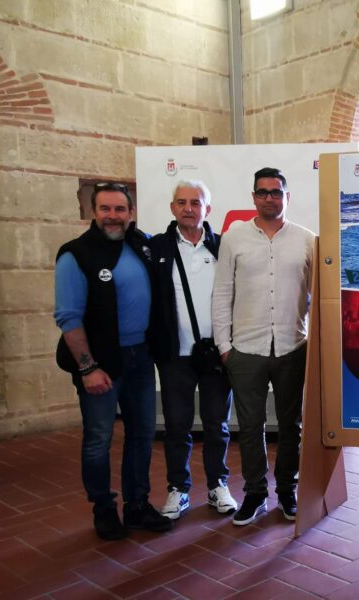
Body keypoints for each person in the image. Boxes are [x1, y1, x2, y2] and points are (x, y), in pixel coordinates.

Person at [54, 182, 173, 540]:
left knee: (141, 434)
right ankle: (104, 508)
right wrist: (88, 368)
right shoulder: (75, 254)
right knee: (98, 438)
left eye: (120, 209)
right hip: (100, 363)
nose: (112, 216)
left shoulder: (142, 246)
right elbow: (68, 318)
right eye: (105, 209)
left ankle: (137, 505)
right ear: (93, 212)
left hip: (140, 358)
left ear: (131, 213)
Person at [212, 167, 315, 526]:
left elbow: (319, 296)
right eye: (263, 192)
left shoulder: (307, 240)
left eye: (276, 192)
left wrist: (316, 345)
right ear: (253, 197)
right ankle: (255, 493)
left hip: (293, 347)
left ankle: (287, 490)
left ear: (287, 197)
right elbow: (222, 292)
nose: (269, 198)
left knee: (291, 426)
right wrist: (224, 346)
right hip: (245, 350)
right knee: (250, 426)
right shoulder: (233, 238)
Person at [149, 180, 237, 520]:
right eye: (182, 202)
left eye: (196, 202)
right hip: (175, 355)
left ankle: (218, 485)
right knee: (176, 426)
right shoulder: (157, 248)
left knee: (217, 425)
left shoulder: (223, 247)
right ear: (173, 207)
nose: (188, 208)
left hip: (218, 354)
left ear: (207, 209)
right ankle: (178, 488)